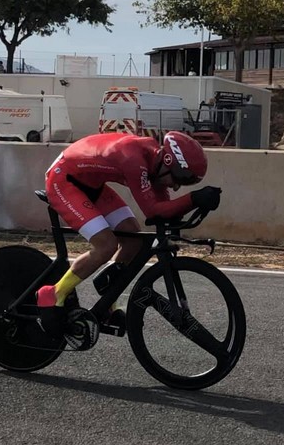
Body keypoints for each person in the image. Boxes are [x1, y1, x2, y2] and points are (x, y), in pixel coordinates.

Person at [36, 130, 221, 326]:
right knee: (106, 245)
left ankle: (107, 303)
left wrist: (192, 205)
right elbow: (153, 211)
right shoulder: (133, 160)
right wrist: (193, 198)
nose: (176, 187)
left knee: (134, 240)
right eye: (178, 178)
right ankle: (54, 294)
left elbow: (165, 210)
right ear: (167, 161)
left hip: (92, 184)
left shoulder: (155, 162)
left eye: (184, 182)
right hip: (63, 180)